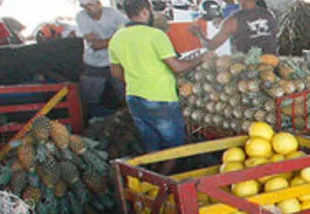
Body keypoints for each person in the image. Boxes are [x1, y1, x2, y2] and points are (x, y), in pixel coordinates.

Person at [110, 0, 204, 151]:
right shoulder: (155, 35)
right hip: (161, 98)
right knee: (174, 147)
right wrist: (201, 59)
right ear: (145, 11)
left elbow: (115, 73)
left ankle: (149, 172)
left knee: (151, 144)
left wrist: (139, 81)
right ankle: (164, 173)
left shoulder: (116, 37)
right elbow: (177, 67)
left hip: (134, 97)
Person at [77, 0, 129, 119]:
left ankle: (125, 118)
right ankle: (93, 122)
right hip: (93, 65)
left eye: (93, 4)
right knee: (90, 100)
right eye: (87, 6)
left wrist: (112, 41)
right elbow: (95, 45)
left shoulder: (111, 13)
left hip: (114, 62)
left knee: (125, 94)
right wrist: (118, 39)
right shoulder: (81, 17)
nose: (91, 8)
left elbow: (128, 28)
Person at [199, 0, 278, 55]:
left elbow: (211, 46)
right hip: (273, 67)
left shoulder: (232, 21)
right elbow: (276, 32)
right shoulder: (269, 14)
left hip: (247, 69)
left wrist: (199, 33)